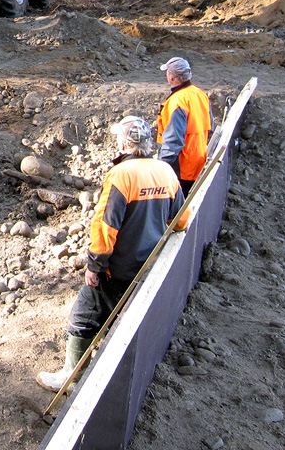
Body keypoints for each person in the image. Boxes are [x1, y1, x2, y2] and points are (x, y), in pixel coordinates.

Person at [37, 116, 189, 392]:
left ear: (124, 143)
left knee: (83, 316)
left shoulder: (122, 175)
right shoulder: (166, 172)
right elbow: (181, 220)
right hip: (147, 266)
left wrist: (95, 265)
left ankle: (73, 377)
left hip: (118, 269)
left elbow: (106, 227)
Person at [155, 56, 212, 194]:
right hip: (198, 161)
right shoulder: (200, 94)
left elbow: (173, 140)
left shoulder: (177, 101)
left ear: (172, 78)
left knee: (177, 210)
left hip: (181, 167)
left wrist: (162, 168)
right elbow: (211, 128)